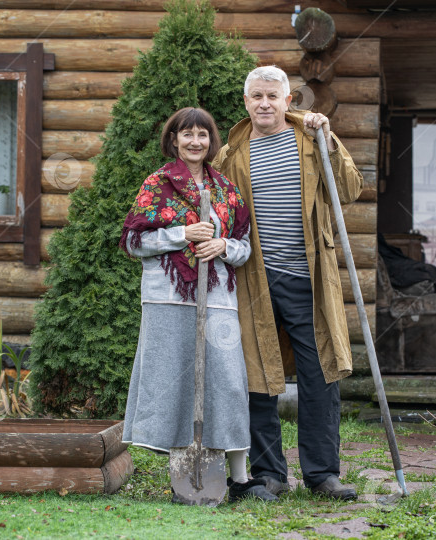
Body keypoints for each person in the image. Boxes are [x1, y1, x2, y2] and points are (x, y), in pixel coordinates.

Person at [213, 66, 363, 500]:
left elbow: (350, 189)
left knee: (321, 374)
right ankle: (269, 474)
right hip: (253, 281)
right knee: (257, 376)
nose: (264, 103)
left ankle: (322, 474)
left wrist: (329, 138)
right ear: (246, 102)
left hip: (307, 278)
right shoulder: (230, 154)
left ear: (288, 101)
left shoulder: (313, 139)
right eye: (256, 96)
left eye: (272, 97)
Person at [119, 107, 276, 503]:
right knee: (176, 383)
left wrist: (223, 245)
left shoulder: (225, 189)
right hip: (168, 300)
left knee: (227, 382)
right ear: (174, 140)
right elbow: (134, 242)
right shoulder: (157, 184)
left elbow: (245, 247)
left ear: (211, 141)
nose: (195, 142)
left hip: (219, 301)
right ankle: (185, 479)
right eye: (186, 135)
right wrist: (181, 233)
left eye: (202, 135)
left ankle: (240, 479)